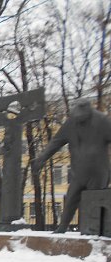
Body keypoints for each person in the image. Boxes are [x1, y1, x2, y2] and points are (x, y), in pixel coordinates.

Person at [33, 98, 111, 233]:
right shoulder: (71, 123)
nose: (79, 120)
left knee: (94, 202)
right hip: (78, 172)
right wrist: (42, 158)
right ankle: (62, 227)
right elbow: (56, 142)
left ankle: (94, 231)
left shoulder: (102, 121)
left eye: (82, 118)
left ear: (89, 113)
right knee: (71, 198)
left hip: (97, 172)